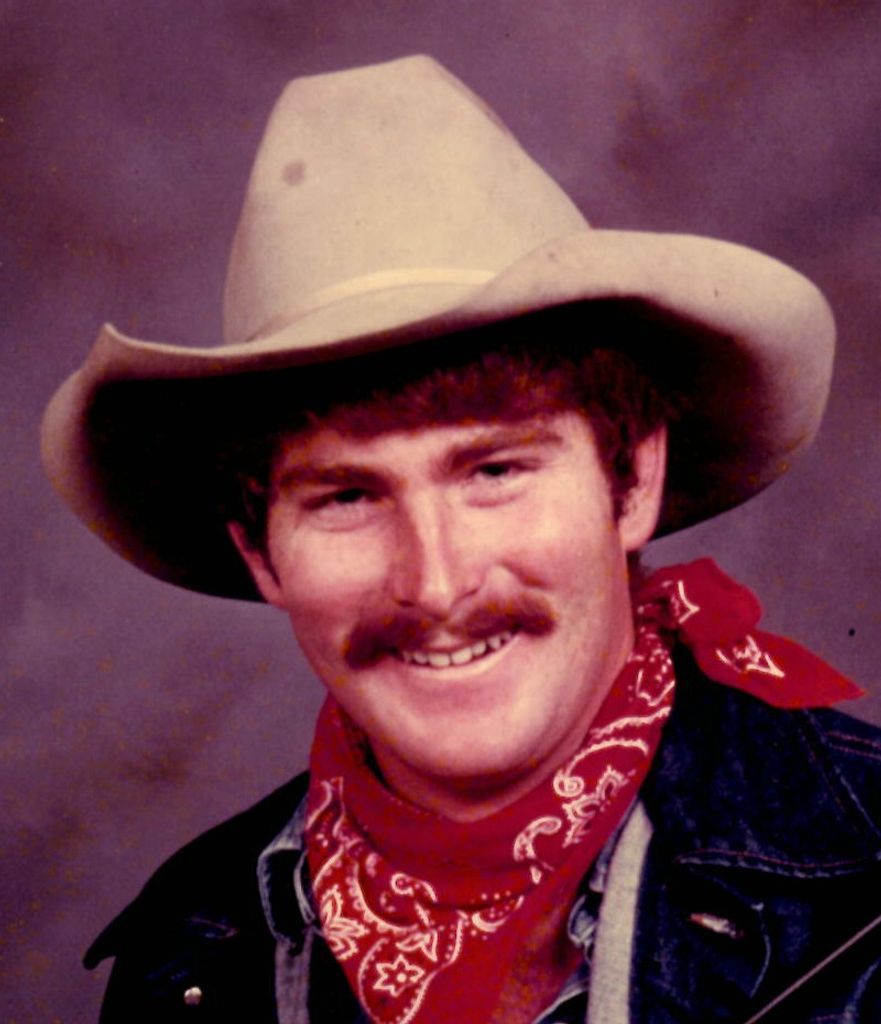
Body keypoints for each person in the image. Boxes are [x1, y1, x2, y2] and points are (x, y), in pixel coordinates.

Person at [41, 55, 881, 1023]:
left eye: (493, 472)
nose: (436, 585)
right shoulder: (188, 952)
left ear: (630, 480)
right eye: (346, 496)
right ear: (261, 553)